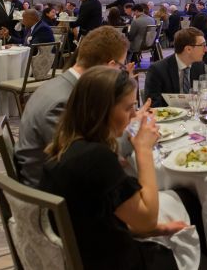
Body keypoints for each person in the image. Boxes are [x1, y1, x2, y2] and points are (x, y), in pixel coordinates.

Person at [40, 66, 200, 270]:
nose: (134, 115)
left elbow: (93, 217)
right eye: (128, 108)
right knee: (190, 211)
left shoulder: (64, 148)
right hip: (111, 261)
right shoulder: (96, 159)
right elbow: (147, 219)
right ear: (101, 110)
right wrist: (143, 150)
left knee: (179, 210)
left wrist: (153, 229)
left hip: (87, 250)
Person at [16, 26, 131, 187]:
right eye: (122, 68)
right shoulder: (63, 101)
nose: (121, 73)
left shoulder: (64, 84)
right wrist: (133, 139)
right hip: (51, 197)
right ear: (111, 66)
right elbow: (79, 163)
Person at [146, 27, 207, 107]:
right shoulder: (157, 70)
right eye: (203, 45)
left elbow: (201, 96)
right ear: (188, 49)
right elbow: (153, 104)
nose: (206, 50)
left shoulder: (199, 66)